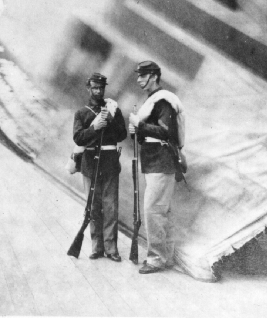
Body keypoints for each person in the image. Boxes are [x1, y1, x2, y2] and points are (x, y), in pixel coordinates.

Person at [129, 61, 186, 274]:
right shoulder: (151, 100)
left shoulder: (163, 101)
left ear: (153, 76)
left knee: (153, 211)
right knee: (162, 211)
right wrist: (137, 131)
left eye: (142, 76)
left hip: (162, 161)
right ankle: (166, 257)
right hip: (153, 161)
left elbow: (166, 133)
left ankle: (156, 259)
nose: (138, 80)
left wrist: (139, 125)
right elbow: (149, 134)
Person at [73, 72, 127, 262]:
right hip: (90, 163)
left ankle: (111, 249)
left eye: (101, 88)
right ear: (89, 89)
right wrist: (94, 128)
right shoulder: (81, 113)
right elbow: (78, 138)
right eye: (94, 88)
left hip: (110, 162)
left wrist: (110, 121)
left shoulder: (113, 109)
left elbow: (122, 135)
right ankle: (97, 246)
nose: (98, 91)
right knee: (93, 206)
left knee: (110, 206)